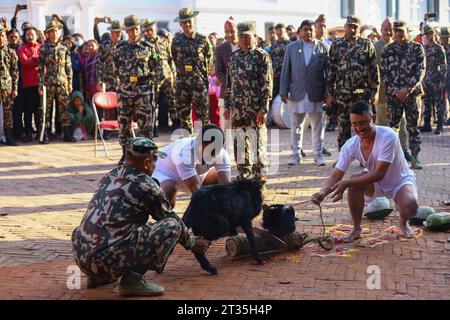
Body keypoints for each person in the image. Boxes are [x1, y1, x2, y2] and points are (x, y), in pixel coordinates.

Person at [72, 137, 210, 296]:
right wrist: (193, 242)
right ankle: (132, 280)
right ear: (145, 163)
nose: (155, 165)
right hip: (106, 258)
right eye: (154, 161)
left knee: (90, 230)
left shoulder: (110, 175)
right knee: (172, 226)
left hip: (81, 257)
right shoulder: (146, 185)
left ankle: (97, 276)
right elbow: (169, 218)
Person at [312, 101, 419, 241]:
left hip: (399, 181)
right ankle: (357, 228)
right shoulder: (350, 145)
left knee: (412, 206)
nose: (359, 128)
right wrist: (322, 193)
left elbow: (380, 173)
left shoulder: (388, 136)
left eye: (363, 123)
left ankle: (403, 222)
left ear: (373, 119)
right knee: (355, 181)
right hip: (374, 183)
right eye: (354, 124)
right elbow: (336, 174)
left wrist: (346, 183)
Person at [224, 21, 273, 186]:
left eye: (247, 36)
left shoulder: (262, 56)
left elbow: (267, 85)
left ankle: (260, 180)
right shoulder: (234, 57)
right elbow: (229, 84)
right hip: (238, 111)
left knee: (258, 145)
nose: (244, 40)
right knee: (239, 145)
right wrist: (227, 107)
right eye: (242, 36)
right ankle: (244, 177)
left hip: (255, 110)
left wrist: (263, 109)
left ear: (254, 37)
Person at [327, 16, 379, 152]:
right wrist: (329, 94)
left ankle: (365, 157)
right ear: (345, 27)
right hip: (342, 94)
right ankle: (344, 157)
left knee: (364, 127)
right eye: (350, 26)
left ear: (359, 28)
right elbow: (331, 71)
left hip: (361, 94)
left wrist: (375, 91)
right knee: (343, 127)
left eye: (355, 26)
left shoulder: (366, 45)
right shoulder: (336, 45)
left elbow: (374, 70)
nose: (352, 29)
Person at [280, 20, 328, 167]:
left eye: (311, 30)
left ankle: (318, 155)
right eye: (305, 29)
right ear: (300, 32)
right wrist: (283, 90)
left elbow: (328, 73)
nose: (308, 32)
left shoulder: (323, 48)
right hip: (297, 92)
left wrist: (328, 92)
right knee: (296, 126)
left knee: (317, 126)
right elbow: (285, 70)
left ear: (315, 31)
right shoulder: (291, 48)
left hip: (316, 92)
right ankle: (296, 155)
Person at [112, 15, 158, 164]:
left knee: (146, 125)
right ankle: (126, 155)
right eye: (130, 30)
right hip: (125, 90)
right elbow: (116, 68)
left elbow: (156, 68)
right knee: (123, 124)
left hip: (143, 90)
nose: (134, 32)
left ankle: (148, 154)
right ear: (126, 31)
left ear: (140, 29)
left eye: (136, 29)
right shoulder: (119, 48)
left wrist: (149, 84)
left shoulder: (149, 47)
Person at [152, 124, 231, 209]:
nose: (209, 157)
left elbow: (226, 188)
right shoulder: (183, 154)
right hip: (166, 174)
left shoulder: (222, 154)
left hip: (195, 175)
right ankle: (164, 216)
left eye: (213, 154)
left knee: (223, 187)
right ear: (198, 143)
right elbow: (198, 193)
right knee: (169, 188)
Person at [381, 20, 426, 170]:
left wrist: (407, 90)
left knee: (413, 128)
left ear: (407, 31)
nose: (399, 33)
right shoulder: (388, 50)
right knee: (392, 128)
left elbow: (420, 71)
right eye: (396, 30)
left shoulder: (417, 48)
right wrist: (395, 91)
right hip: (394, 97)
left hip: (412, 96)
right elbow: (384, 74)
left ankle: (415, 157)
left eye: (401, 30)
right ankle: (392, 159)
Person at [171, 8, 213, 134]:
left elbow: (209, 59)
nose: (187, 24)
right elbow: (174, 59)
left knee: (203, 119)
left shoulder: (203, 40)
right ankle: (187, 145)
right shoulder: (176, 41)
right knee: (184, 118)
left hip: (199, 85)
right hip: (182, 85)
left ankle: (204, 146)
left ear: (193, 20)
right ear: (180, 24)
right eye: (184, 22)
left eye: (189, 21)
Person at [374, 17, 410, 162]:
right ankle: (381, 153)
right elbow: (374, 70)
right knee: (382, 124)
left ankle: (403, 150)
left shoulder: (400, 46)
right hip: (382, 92)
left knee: (401, 122)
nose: (388, 32)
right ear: (381, 30)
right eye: (385, 29)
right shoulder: (375, 46)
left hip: (398, 93)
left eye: (390, 30)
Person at [38, 20, 76, 144]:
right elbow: (40, 69)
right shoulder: (44, 49)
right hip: (48, 82)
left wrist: (70, 83)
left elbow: (68, 67)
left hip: (62, 82)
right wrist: (40, 84)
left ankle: (66, 133)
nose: (54, 33)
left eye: (56, 30)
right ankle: (46, 133)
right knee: (46, 109)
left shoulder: (64, 47)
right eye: (51, 31)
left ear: (59, 32)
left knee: (64, 108)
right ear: (47, 34)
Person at [142, 19, 178, 133]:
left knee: (171, 101)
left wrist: (174, 75)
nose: (149, 32)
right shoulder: (143, 45)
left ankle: (175, 124)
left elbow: (171, 58)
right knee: (153, 103)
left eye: (150, 30)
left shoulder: (164, 41)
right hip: (153, 78)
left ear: (155, 29)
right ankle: (152, 127)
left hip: (167, 76)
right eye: (146, 30)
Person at [421, 25, 447, 135]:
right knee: (427, 102)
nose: (428, 36)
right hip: (426, 80)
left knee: (439, 103)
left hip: (436, 80)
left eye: (430, 33)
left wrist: (442, 80)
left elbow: (443, 65)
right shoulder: (424, 48)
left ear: (434, 34)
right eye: (427, 34)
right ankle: (427, 124)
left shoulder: (439, 48)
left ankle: (440, 126)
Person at [17, 27, 41, 143]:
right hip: (27, 85)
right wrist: (36, 59)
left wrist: (32, 59)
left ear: (36, 35)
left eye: (32, 34)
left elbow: (44, 61)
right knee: (28, 111)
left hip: (40, 84)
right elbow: (24, 62)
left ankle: (40, 133)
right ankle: (28, 133)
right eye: (28, 35)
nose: (30, 36)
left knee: (39, 110)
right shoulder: (21, 49)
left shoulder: (41, 47)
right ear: (25, 37)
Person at [215, 16, 239, 131]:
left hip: (244, 96)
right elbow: (219, 71)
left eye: (232, 31)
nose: (229, 34)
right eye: (226, 32)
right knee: (226, 127)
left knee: (241, 129)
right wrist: (230, 83)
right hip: (226, 93)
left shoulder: (245, 45)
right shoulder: (220, 49)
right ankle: (226, 149)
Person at [0, 24, 19, 146]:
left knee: (8, 112)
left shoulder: (11, 52)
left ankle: (9, 136)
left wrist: (15, 89)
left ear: (5, 37)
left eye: (2, 35)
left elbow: (15, 72)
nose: (0, 38)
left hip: (6, 86)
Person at [270, 23, 291, 101]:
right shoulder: (274, 44)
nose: (279, 33)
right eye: (277, 31)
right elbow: (271, 58)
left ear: (285, 31)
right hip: (275, 75)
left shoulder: (290, 44)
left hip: (287, 75)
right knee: (274, 96)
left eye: (281, 31)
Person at [439, 27, 450, 126]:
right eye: (442, 37)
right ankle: (442, 118)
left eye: (445, 37)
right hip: (442, 77)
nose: (443, 39)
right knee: (442, 99)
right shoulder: (439, 48)